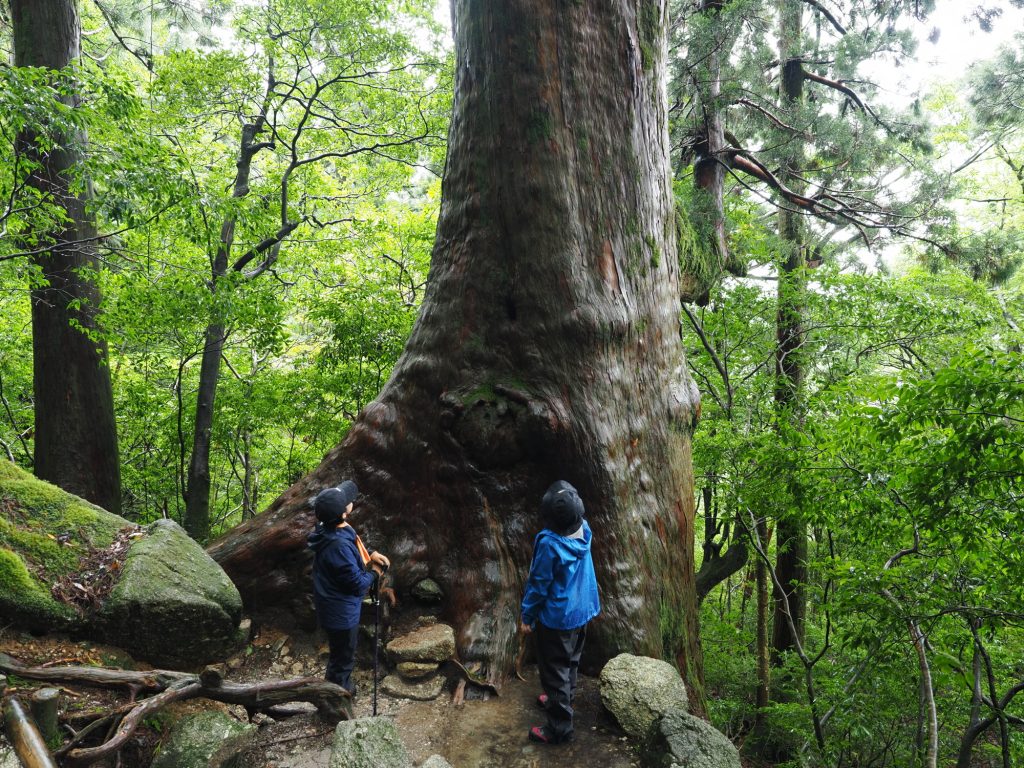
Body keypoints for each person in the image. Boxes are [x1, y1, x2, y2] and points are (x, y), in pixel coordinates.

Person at [520, 480, 601, 745]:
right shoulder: (584, 529)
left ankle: (559, 728)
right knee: (571, 662)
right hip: (583, 610)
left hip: (558, 619)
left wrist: (527, 616)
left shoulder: (549, 544)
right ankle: (565, 700)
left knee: (554, 672)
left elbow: (538, 585)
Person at [307, 480, 390, 695]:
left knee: (340, 654)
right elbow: (357, 585)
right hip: (340, 614)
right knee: (342, 657)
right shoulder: (337, 545)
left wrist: (369, 555)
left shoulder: (330, 529)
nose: (350, 500)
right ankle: (337, 697)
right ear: (343, 514)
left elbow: (351, 552)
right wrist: (375, 572)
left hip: (333, 606)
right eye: (347, 501)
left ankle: (336, 688)